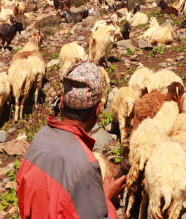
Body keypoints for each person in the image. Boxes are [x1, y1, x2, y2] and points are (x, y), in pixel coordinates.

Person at [16, 61, 126, 219]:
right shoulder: (86, 165)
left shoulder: (40, 138)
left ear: (61, 102)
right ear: (98, 110)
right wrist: (106, 198)